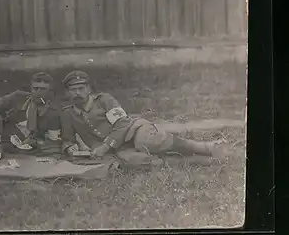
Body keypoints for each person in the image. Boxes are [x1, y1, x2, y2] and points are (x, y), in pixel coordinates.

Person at [60, 71, 230, 166]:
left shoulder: (104, 100)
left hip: (133, 131)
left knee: (148, 142)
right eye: (73, 90)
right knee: (140, 162)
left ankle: (206, 147)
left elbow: (123, 122)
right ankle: (204, 161)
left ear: (88, 88)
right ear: (67, 93)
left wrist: (106, 145)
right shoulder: (67, 113)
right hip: (117, 150)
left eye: (81, 88)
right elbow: (67, 139)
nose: (77, 93)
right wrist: (69, 148)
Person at [0, 72, 62, 156]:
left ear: (50, 91)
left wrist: (37, 142)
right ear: (31, 88)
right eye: (35, 88)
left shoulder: (53, 111)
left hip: (30, 151)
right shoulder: (17, 97)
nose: (38, 92)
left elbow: (52, 139)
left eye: (43, 89)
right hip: (4, 145)